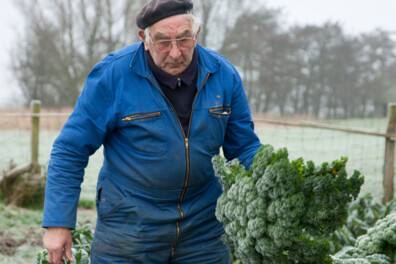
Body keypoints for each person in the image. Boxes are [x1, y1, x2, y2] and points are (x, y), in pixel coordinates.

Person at [42, 0, 262, 263]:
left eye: (184, 39)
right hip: (130, 227)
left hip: (203, 228)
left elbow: (244, 149)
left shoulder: (223, 74)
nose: (176, 53)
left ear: (197, 33)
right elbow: (70, 150)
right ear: (144, 39)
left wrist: (277, 179)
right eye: (163, 42)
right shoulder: (113, 76)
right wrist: (58, 223)